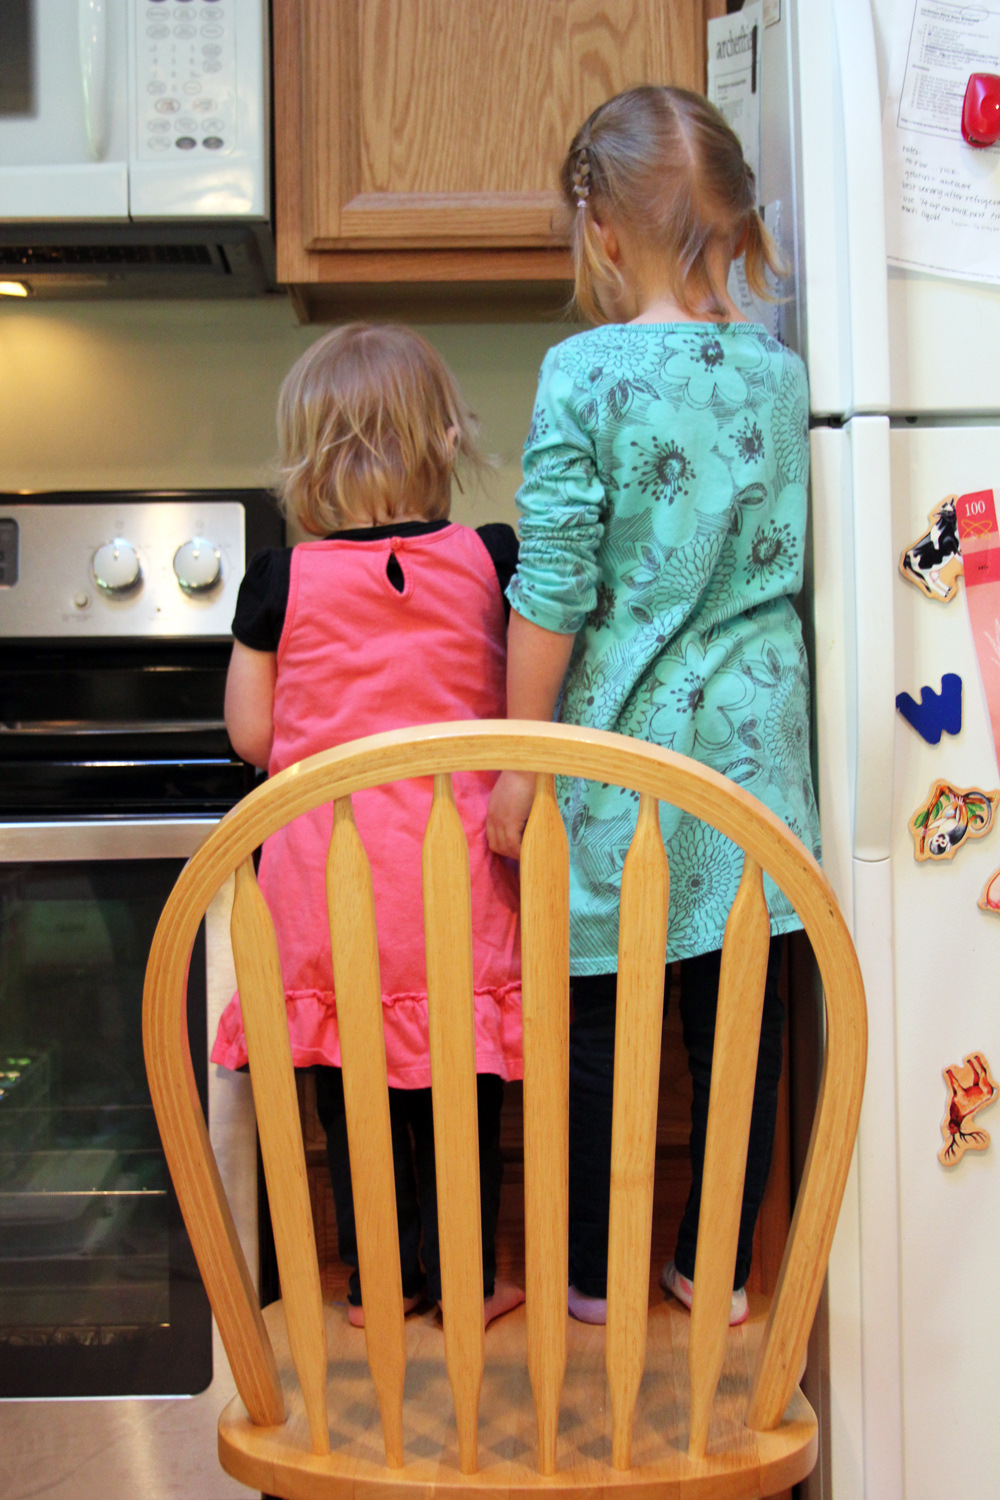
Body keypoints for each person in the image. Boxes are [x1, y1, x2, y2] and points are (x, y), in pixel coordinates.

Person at [487, 86, 821, 1327]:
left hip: (620, 758)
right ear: (732, 220)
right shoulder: (780, 375)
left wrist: (519, 763)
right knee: (739, 1029)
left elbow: (556, 584)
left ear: (604, 233)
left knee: (594, 1034)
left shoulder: (581, 371)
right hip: (760, 760)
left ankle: (585, 1277)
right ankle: (718, 1270)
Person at [213, 323, 525, 1328]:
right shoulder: (492, 558)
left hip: (329, 886)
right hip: (459, 883)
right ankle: (469, 1283)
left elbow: (255, 737)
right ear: (444, 440)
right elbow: (526, 698)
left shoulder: (279, 581)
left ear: (307, 457)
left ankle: (379, 1287)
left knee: (356, 1089)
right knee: (460, 1088)